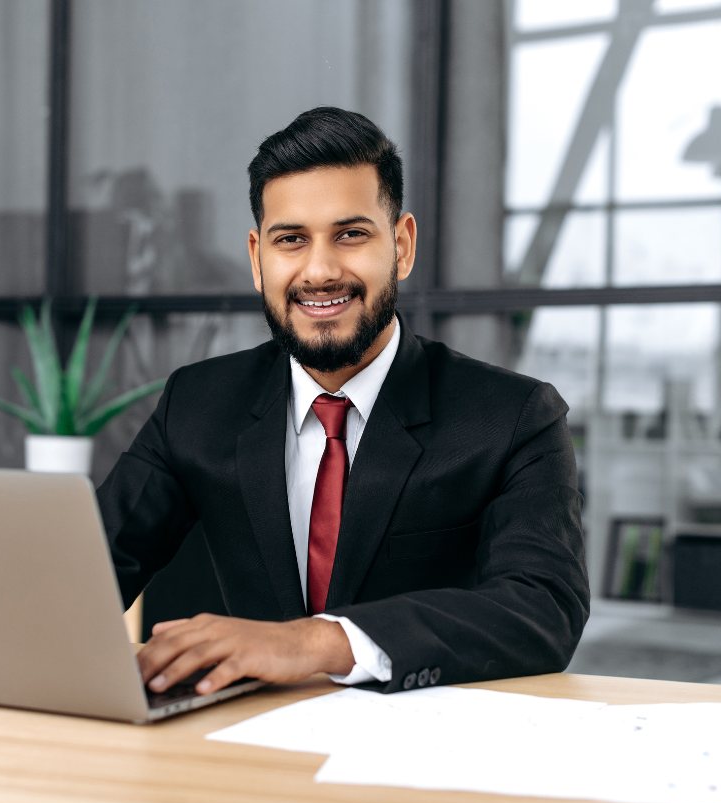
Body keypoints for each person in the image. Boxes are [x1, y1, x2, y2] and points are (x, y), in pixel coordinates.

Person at [97, 106, 588, 696]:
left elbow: (543, 610)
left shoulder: (513, 417)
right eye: (291, 241)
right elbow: (87, 574)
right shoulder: (197, 402)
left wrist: (312, 642)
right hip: (247, 737)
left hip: (426, 750)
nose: (321, 270)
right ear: (257, 258)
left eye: (351, 235)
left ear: (402, 246)